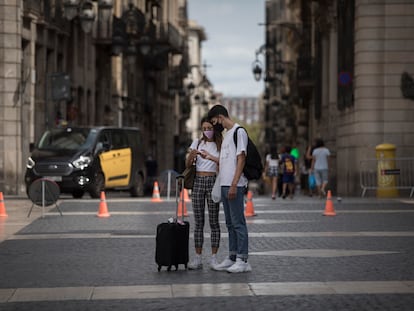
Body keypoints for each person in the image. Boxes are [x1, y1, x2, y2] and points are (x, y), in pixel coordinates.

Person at [207, 104, 252, 273]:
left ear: (220, 116)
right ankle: (232, 256)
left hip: (235, 185)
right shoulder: (227, 135)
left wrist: (234, 184)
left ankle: (243, 259)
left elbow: (241, 158)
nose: (215, 125)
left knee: (238, 222)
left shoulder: (239, 132)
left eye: (214, 121)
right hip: (224, 184)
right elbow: (225, 160)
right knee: (229, 223)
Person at [186, 117, 222, 270]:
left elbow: (224, 162)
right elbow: (188, 165)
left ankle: (214, 258)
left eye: (209, 128)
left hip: (213, 181)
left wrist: (211, 157)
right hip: (198, 182)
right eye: (204, 128)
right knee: (198, 222)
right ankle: (198, 258)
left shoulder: (221, 144)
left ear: (214, 128)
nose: (207, 131)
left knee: (214, 222)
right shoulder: (197, 142)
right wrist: (192, 156)